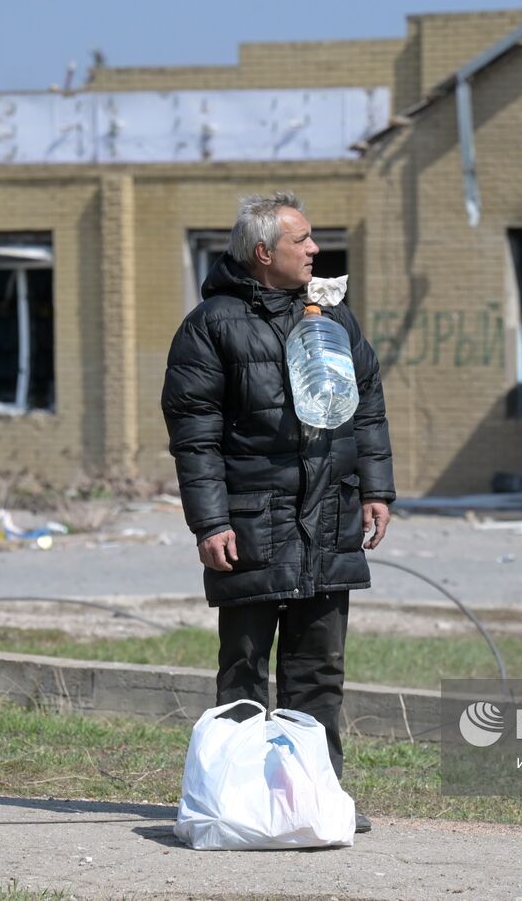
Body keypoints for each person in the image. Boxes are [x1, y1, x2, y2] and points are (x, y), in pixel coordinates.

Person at [161, 192, 394, 836]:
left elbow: (366, 405)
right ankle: (236, 803)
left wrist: (377, 489)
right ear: (264, 253)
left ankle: (316, 799)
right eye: (303, 240)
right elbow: (195, 436)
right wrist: (210, 523)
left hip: (329, 518)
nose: (315, 250)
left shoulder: (334, 318)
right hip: (251, 524)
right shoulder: (211, 325)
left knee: (319, 667)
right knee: (244, 669)